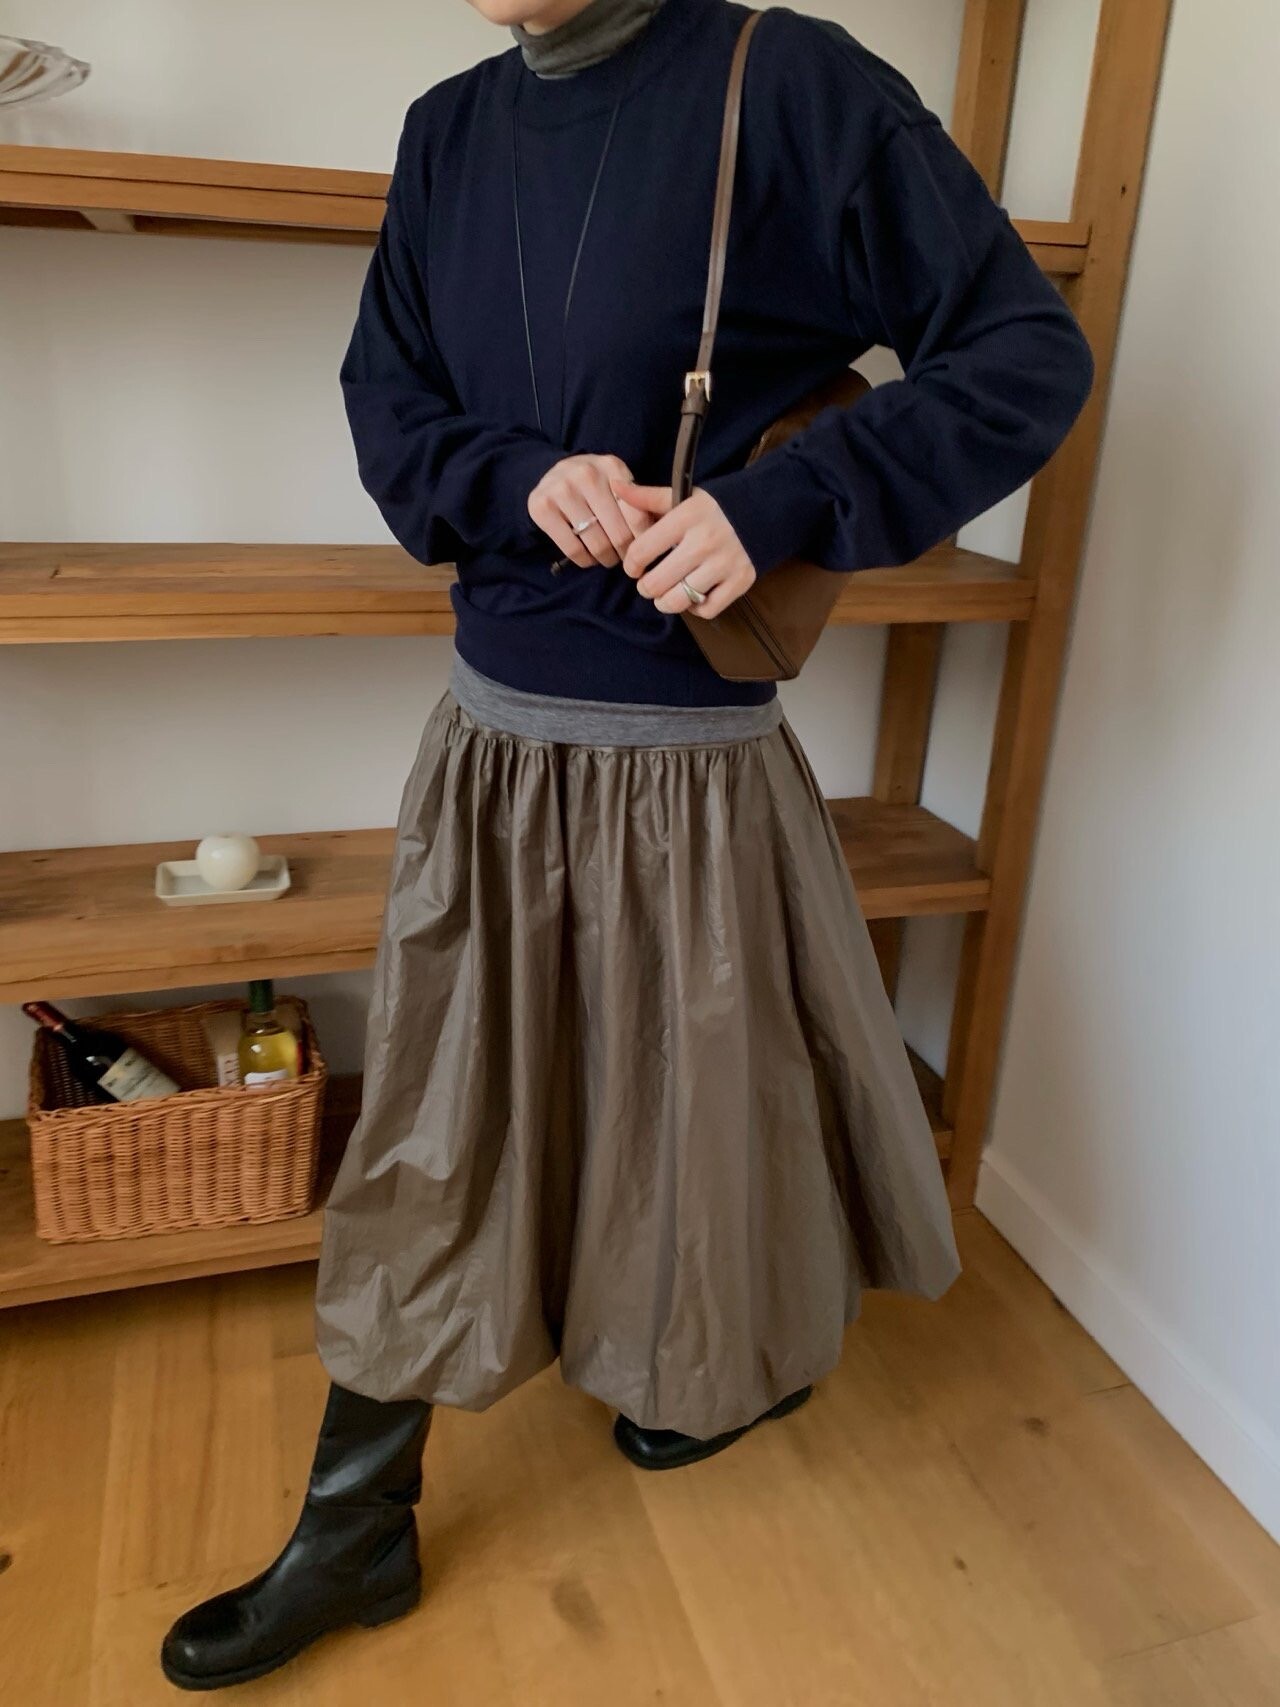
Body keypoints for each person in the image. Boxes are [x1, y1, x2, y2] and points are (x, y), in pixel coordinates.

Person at [161, 0, 1094, 1688]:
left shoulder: (791, 84)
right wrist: (517, 478)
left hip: (690, 766)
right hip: (491, 745)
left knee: (696, 1115)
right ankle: (357, 1525)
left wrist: (776, 505)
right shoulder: (451, 129)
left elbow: (1024, 353)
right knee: (435, 1129)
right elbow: (391, 403)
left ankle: (711, 1371)